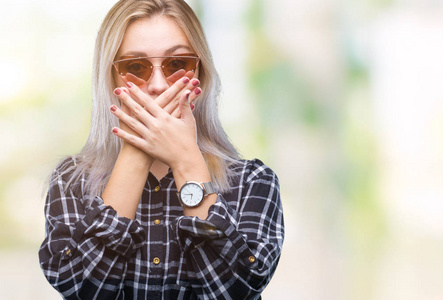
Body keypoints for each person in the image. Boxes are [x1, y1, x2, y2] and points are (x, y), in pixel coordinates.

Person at [38, 0, 284, 299]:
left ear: (200, 75)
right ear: (111, 78)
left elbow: (237, 291)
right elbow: (82, 289)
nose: (156, 85)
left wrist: (186, 161)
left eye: (177, 64)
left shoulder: (253, 181)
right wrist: (136, 152)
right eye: (135, 67)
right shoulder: (70, 180)